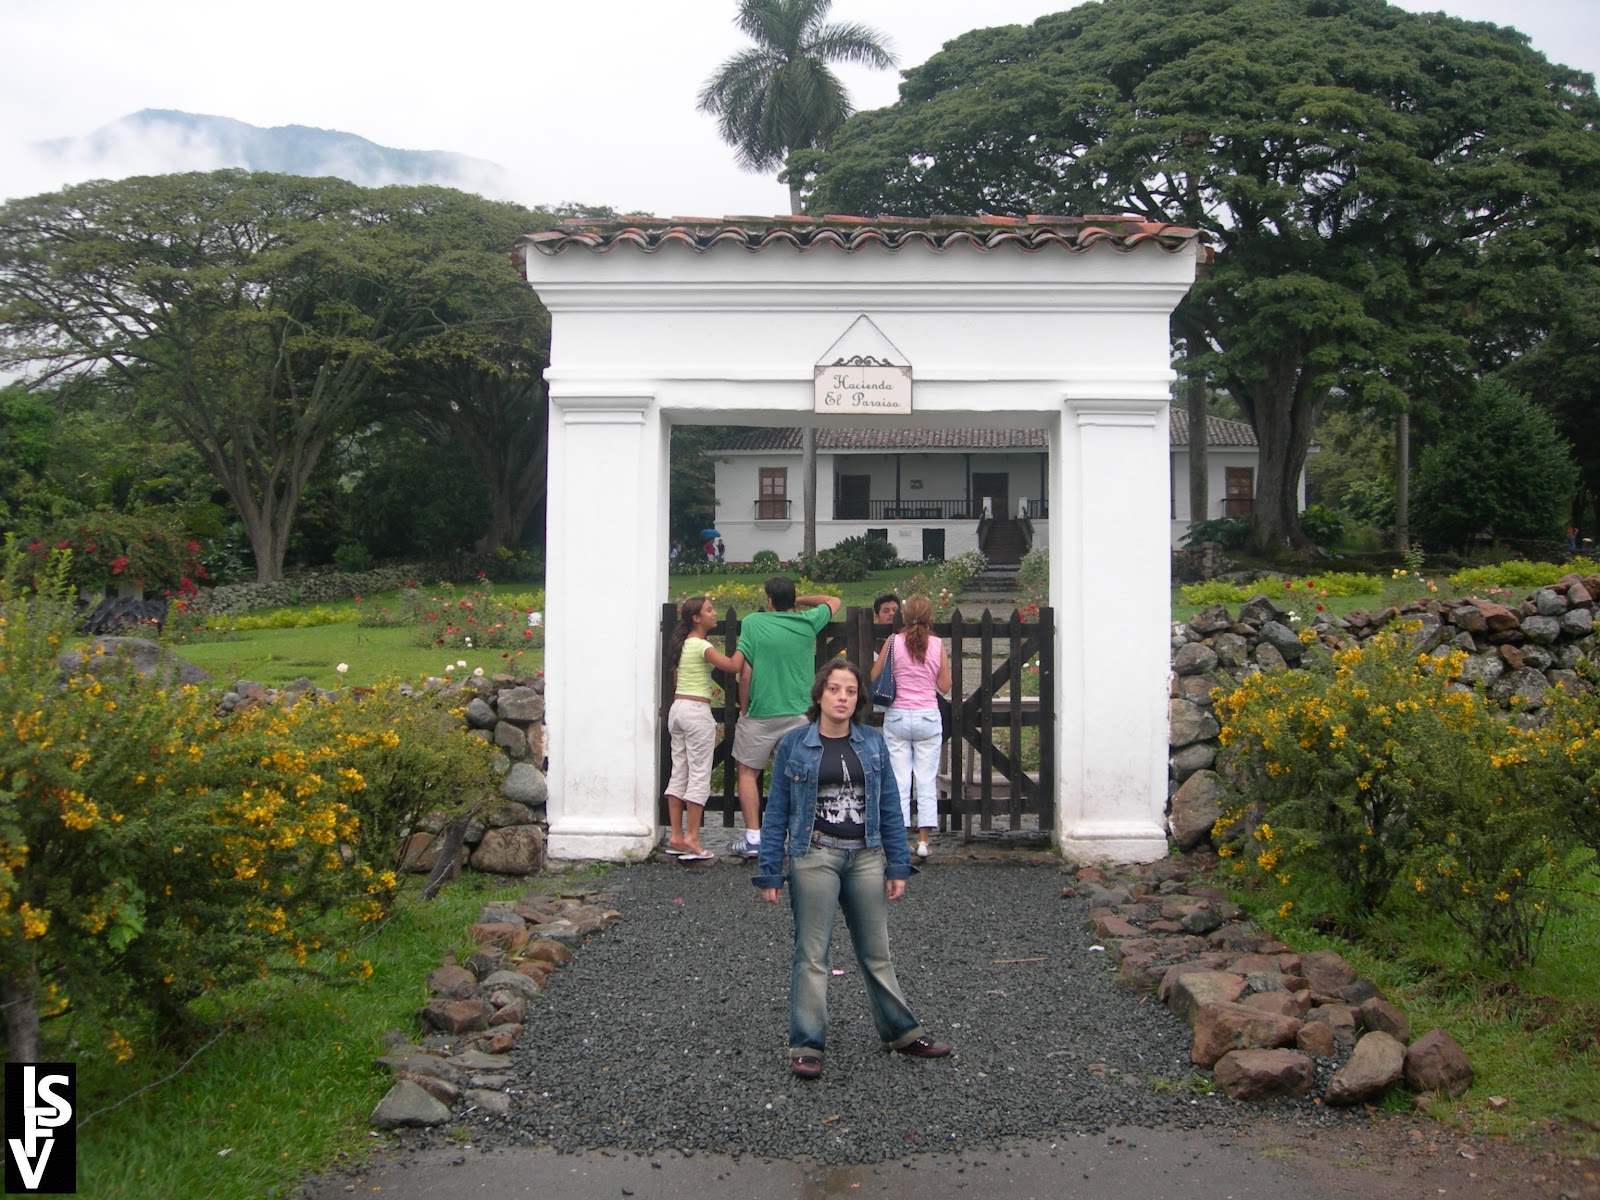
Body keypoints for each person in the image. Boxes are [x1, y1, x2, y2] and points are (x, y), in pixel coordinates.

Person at [753, 659, 952, 1078]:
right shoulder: (795, 744)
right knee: (812, 955)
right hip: (814, 856)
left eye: (850, 691)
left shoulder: (873, 743)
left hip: (866, 857)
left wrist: (898, 864)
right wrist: (770, 868)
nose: (843, 697)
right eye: (835, 689)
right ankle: (806, 1044)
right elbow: (777, 813)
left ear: (858, 699)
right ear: (820, 695)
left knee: (876, 952)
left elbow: (889, 809)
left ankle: (902, 1033)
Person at [728, 576, 840, 858]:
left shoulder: (754, 622)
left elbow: (746, 673)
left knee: (748, 772)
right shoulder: (807, 623)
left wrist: (744, 709)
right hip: (799, 712)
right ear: (792, 599)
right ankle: (798, 838)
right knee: (796, 776)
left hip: (762, 711)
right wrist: (800, 601)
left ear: (769, 601)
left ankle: (754, 836)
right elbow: (834, 601)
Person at [663, 596, 745, 862]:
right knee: (699, 775)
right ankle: (693, 838)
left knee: (680, 772)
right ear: (696, 618)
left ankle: (676, 836)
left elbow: (676, 679)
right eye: (709, 610)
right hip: (697, 712)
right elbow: (732, 666)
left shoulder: (683, 645)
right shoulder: (701, 646)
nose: (714, 613)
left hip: (678, 709)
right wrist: (746, 644)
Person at [870, 594, 951, 860]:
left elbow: (874, 675)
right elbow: (945, 685)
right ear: (930, 617)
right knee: (927, 779)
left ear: (902, 618)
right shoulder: (937, 644)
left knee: (900, 780)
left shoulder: (893, 642)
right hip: (927, 715)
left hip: (899, 716)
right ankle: (925, 842)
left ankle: (900, 839)